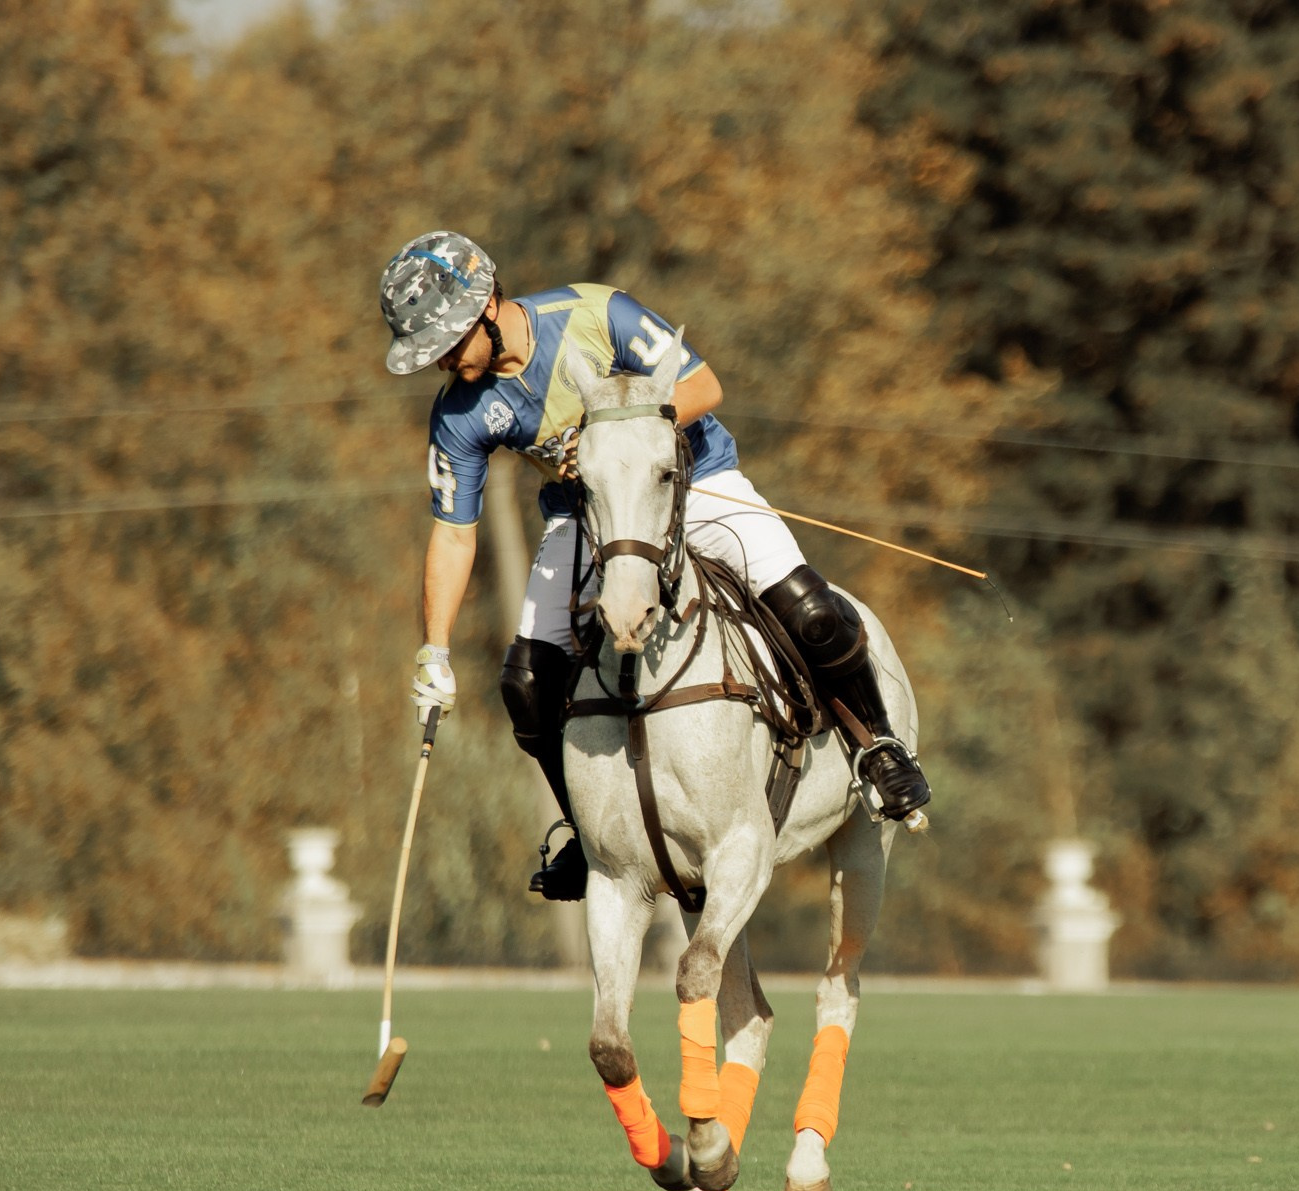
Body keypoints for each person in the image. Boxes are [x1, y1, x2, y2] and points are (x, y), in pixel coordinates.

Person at [378, 230, 930, 901]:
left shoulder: (596, 314)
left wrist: (604, 434)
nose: (442, 363)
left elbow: (703, 384)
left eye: (448, 343)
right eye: (429, 353)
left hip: (696, 483)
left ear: (489, 304)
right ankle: (587, 830)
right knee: (526, 680)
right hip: (588, 517)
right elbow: (454, 535)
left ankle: (879, 747)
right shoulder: (458, 415)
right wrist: (433, 650)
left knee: (810, 607)